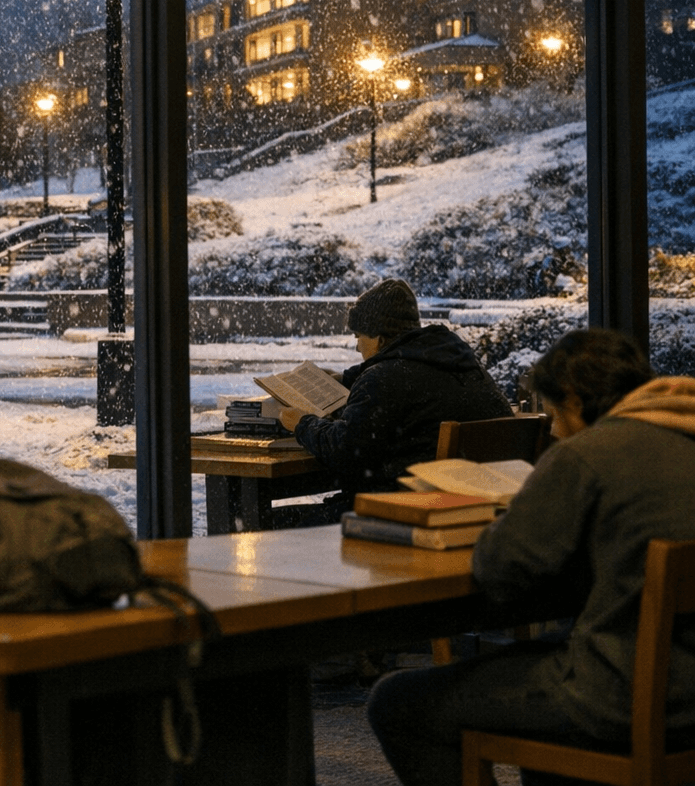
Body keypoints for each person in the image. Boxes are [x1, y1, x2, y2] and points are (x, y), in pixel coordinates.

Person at [368, 327, 695, 786]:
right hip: (685, 688)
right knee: (543, 654)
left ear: (576, 401)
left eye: (555, 414)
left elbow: (500, 569)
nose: (555, 429)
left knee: (397, 703)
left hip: (621, 696)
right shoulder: (683, 432)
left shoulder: (588, 454)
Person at [279, 278, 513, 519]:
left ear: (379, 338)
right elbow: (400, 373)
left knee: (268, 522)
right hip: (477, 511)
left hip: (397, 511)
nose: (357, 347)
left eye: (359, 336)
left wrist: (302, 423)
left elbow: (346, 452)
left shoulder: (384, 379)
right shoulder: (460, 363)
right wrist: (344, 379)